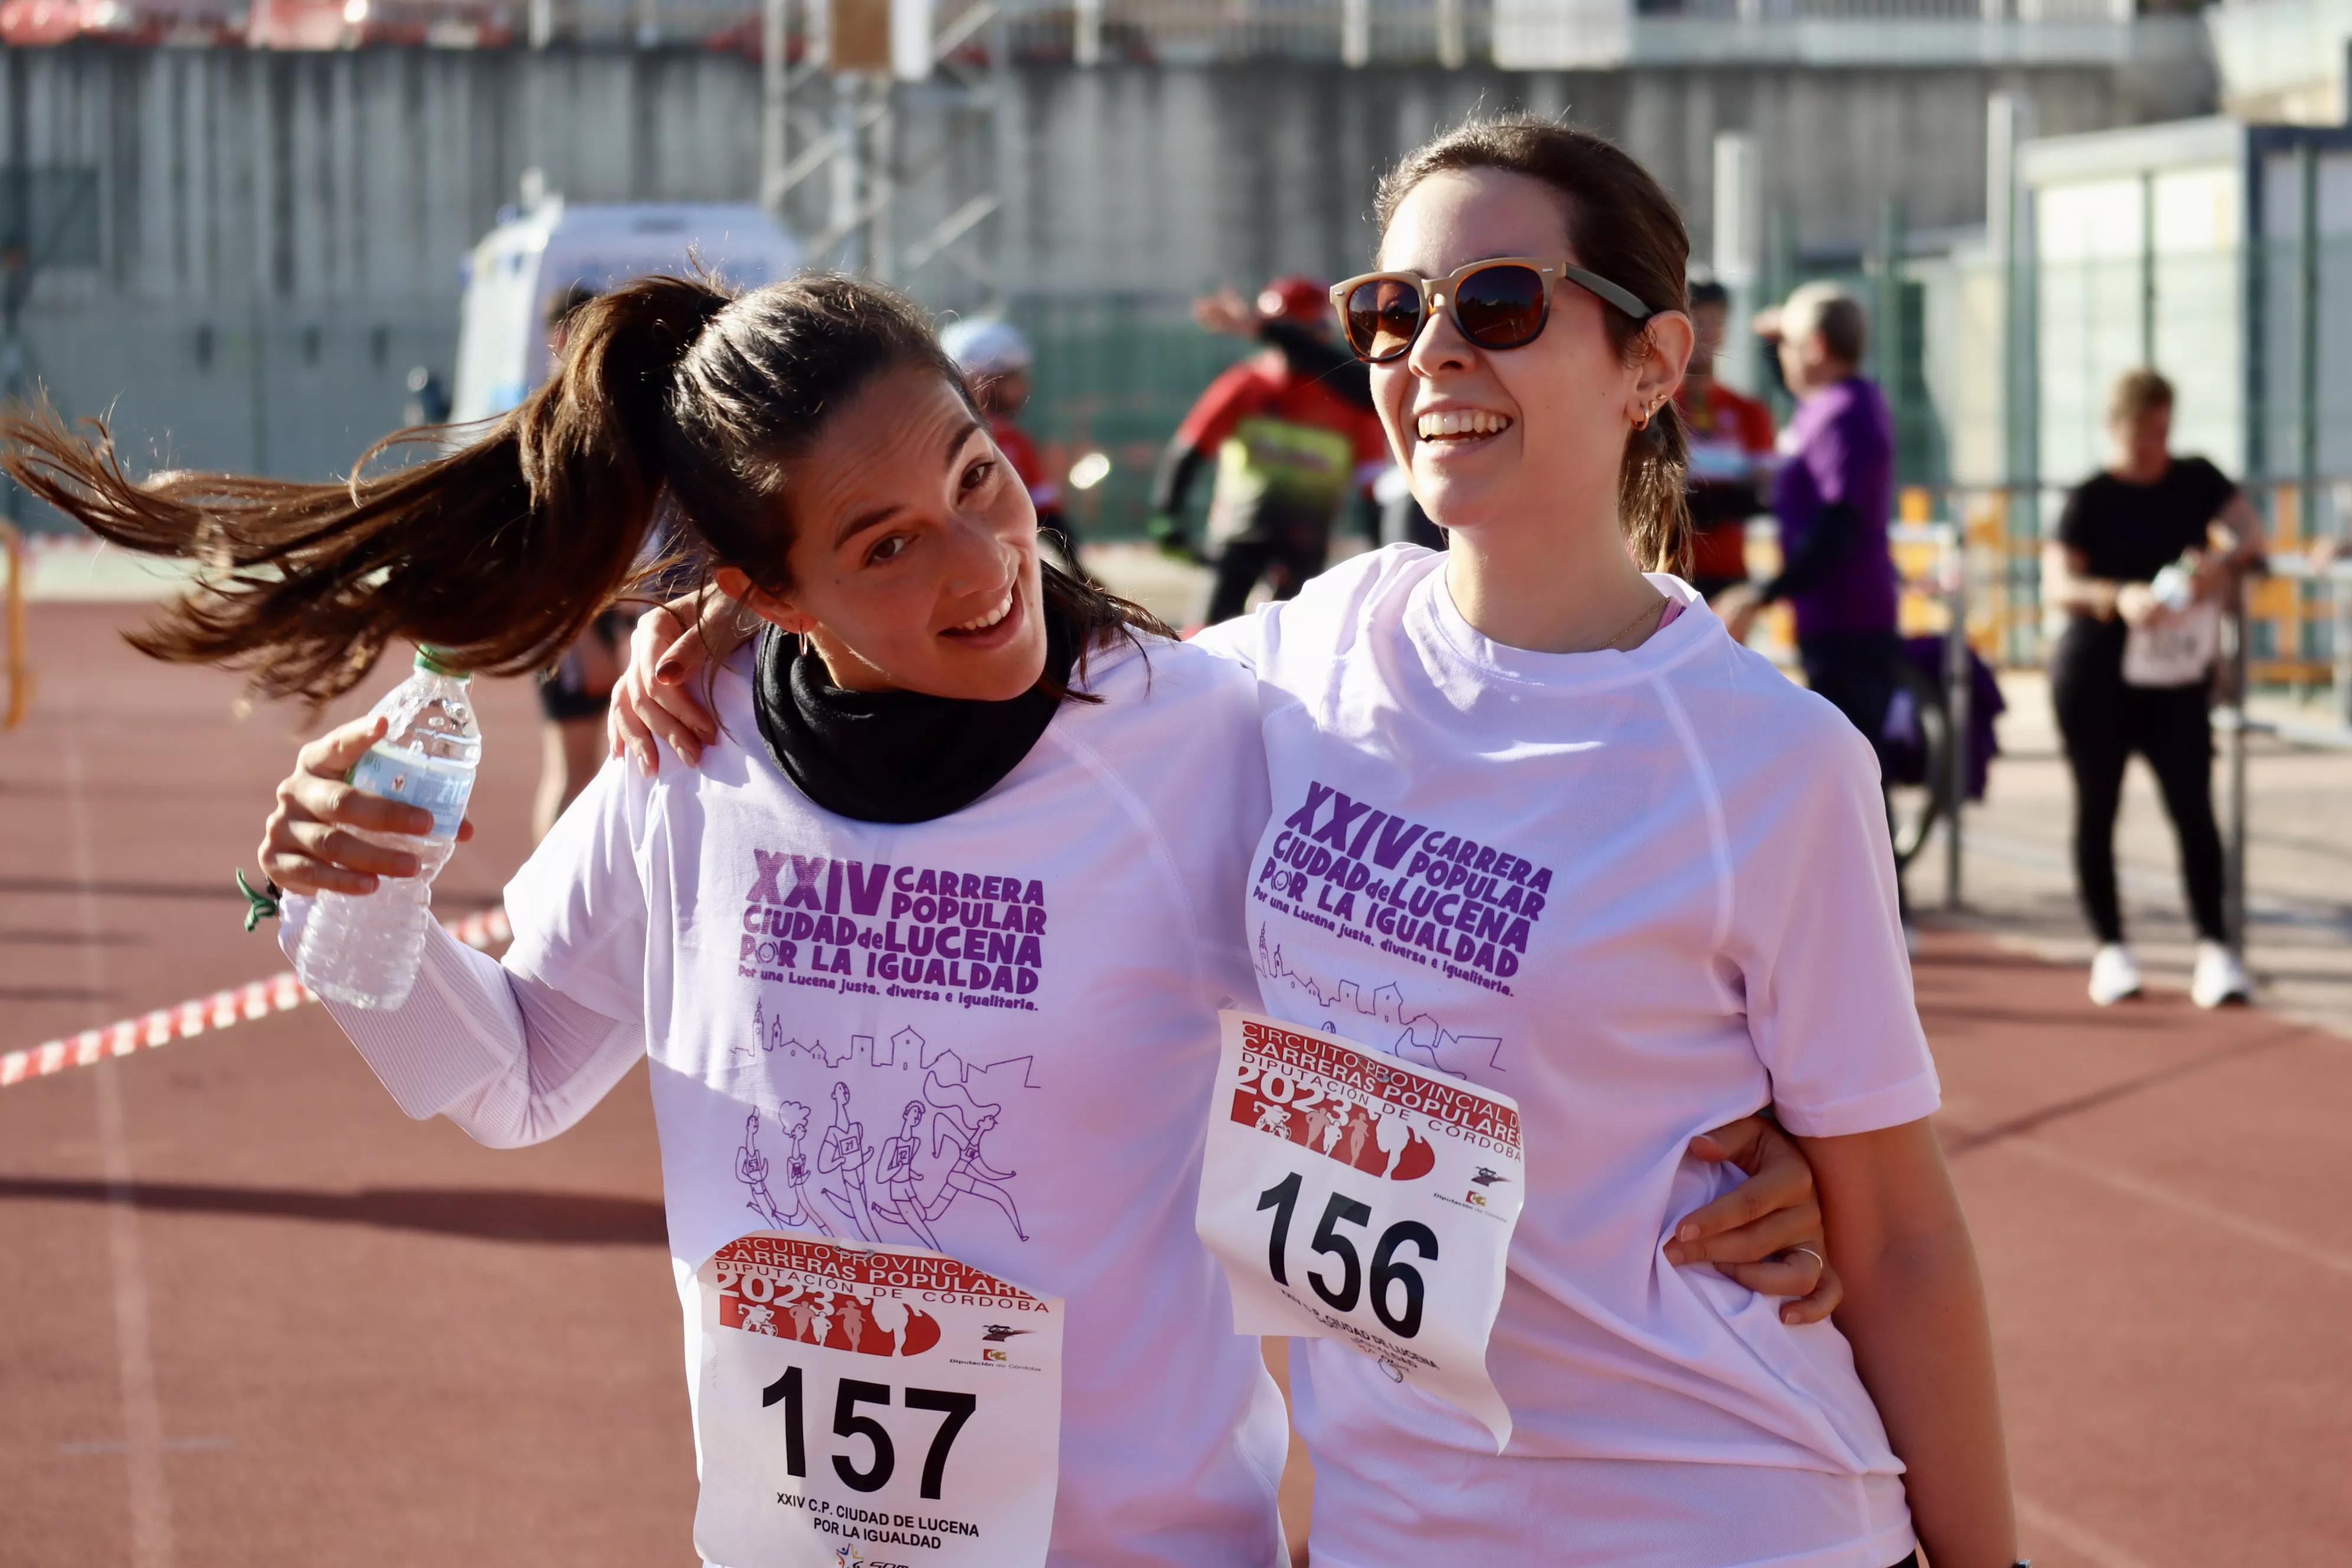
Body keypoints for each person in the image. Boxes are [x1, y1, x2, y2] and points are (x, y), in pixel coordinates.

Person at [7, 270, 1834, 1566]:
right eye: (883, 545)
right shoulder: (693, 743)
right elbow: (508, 1080)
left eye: (976, 479)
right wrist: (352, 903)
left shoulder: (1197, 738)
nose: (981, 566)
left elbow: (1489, 959)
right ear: (757, 589)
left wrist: (1705, 1148)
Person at [618, 119, 2017, 1568]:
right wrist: (755, 622)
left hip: (1720, 1511)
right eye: (1394, 311)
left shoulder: (1775, 767)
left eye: (1500, 303)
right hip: (1395, 1530)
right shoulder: (1284, 671)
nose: (1433, 352)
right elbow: (1001, 664)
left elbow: (1901, 1234)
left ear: (1652, 364)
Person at [2041, 367, 2264, 1008]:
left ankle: (2216, 948)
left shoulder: (2197, 478)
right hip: (2097, 676)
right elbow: (2058, 583)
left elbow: (2252, 533)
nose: (2154, 447)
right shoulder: (2090, 498)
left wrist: (2218, 565)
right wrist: (2118, 597)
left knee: (2194, 807)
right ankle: (2111, 947)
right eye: (2144, 434)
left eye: (2164, 432)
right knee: (2098, 807)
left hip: (2175, 678)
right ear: (2116, 428)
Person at [1148, 276, 1390, 623]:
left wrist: (1381, 548)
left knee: (1292, 652)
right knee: (1210, 641)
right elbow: (1190, 450)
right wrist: (1167, 514)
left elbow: (1371, 482)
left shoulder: (1348, 400)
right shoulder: (1244, 385)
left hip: (1306, 547)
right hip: (1238, 540)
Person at [1190, 285, 1444, 551]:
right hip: (1240, 532)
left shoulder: (1342, 398)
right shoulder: (1247, 383)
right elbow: (1192, 447)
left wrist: (1261, 328)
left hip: (1307, 538)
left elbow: (1370, 475)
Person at [531, 282, 634, 841]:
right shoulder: (550, 427)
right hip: (572, 620)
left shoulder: (605, 414)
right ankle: (544, 915)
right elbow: (546, 548)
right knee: (572, 771)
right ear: (561, 338)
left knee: (613, 774)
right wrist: (582, 639)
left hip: (612, 616)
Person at [939, 315, 1078, 569]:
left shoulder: (1014, 439)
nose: (1024, 387)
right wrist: (1079, 573)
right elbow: (1050, 516)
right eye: (1010, 377)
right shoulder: (1006, 440)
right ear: (979, 379)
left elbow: (1048, 513)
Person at [1677, 278, 1776, 600]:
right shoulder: (1653, 406)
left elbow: (1764, 492)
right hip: (1662, 571)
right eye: (1696, 320)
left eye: (1715, 321)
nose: (1705, 332)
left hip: (1728, 573)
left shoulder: (1749, 411)